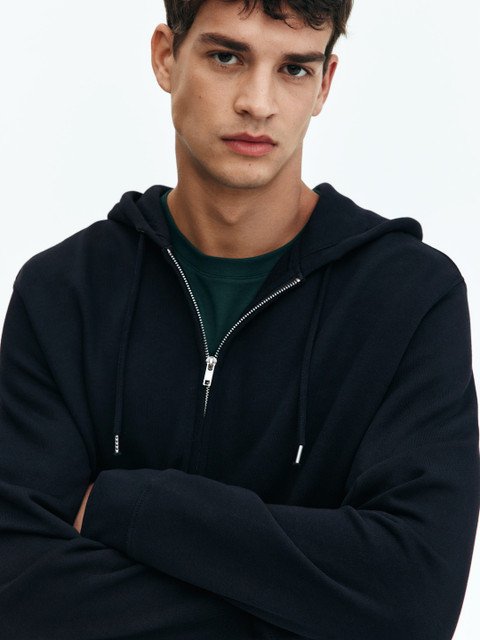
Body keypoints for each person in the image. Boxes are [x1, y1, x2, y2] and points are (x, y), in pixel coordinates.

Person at [0, 0, 478, 638]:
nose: (258, 103)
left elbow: (413, 602)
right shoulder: (63, 293)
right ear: (166, 57)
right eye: (227, 57)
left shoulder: (410, 298)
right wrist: (311, 611)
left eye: (294, 69)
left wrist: (129, 507)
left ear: (325, 84)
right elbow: (17, 590)